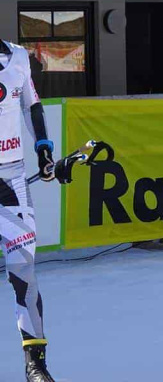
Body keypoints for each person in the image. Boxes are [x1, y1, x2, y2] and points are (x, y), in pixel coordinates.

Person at [0, 39, 57, 382]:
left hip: (12, 177)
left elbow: (31, 105)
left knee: (23, 272)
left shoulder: (18, 56)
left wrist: (44, 150)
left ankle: (35, 364)